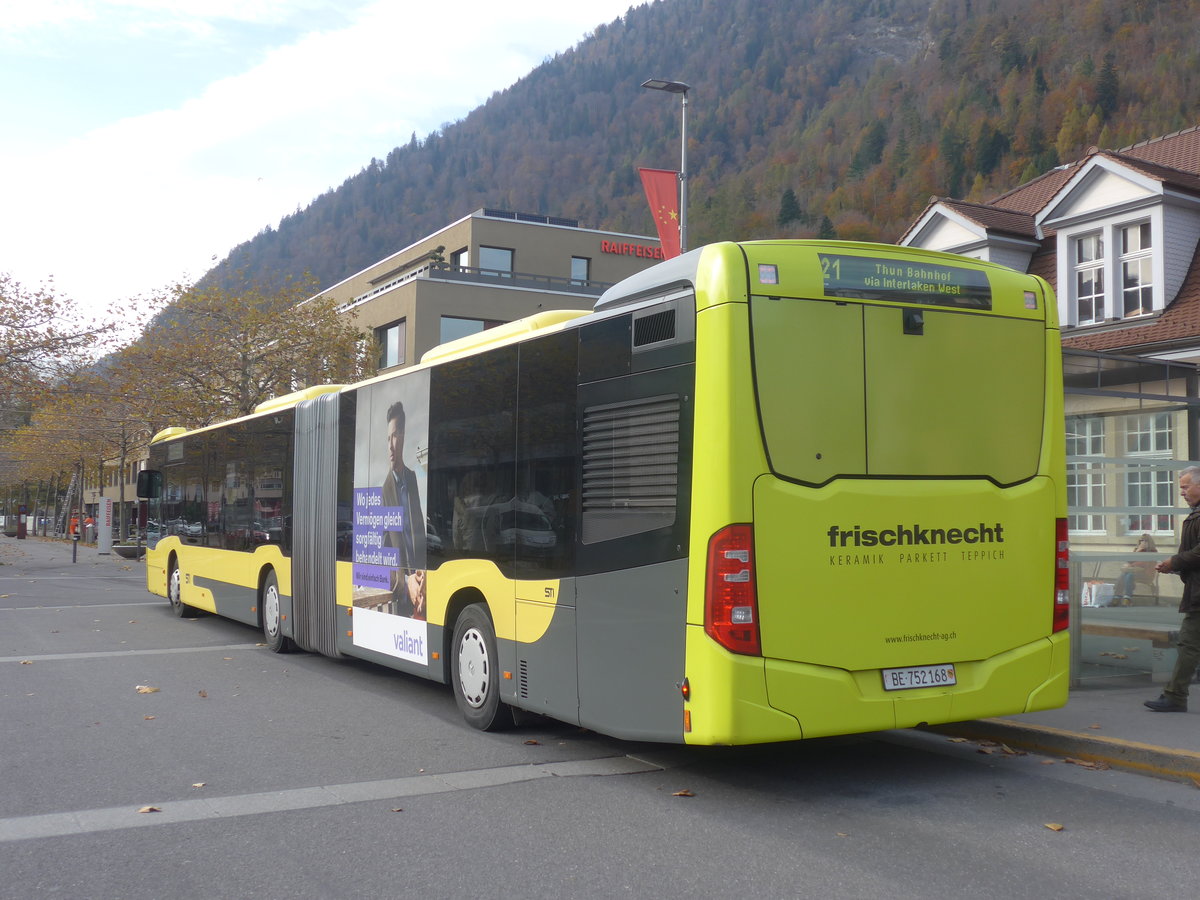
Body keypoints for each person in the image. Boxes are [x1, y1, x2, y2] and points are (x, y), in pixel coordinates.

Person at [1145, 466, 1200, 712]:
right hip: (1196, 590)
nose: (1182, 492)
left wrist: (1174, 563)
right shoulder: (1195, 515)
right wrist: (1174, 566)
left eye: (1185, 487)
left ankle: (1175, 696)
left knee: (1189, 644)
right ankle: (1174, 695)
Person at [381, 400, 427, 619]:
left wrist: (423, 574)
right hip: (403, 596)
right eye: (387, 438)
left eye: (395, 436)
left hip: (422, 587)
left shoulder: (411, 478)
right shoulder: (384, 490)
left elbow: (418, 535)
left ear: (404, 436)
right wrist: (406, 579)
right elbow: (381, 555)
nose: (391, 445)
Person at [1114, 533, 1157, 605]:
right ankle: (1117, 596)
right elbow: (1129, 561)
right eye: (1141, 540)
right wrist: (1138, 551)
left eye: (1146, 541)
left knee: (1129, 575)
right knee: (1124, 575)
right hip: (1135, 572)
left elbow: (1145, 564)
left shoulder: (1152, 551)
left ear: (1149, 542)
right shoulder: (1137, 550)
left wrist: (1131, 565)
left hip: (1146, 574)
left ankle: (1127, 598)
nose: (1143, 542)